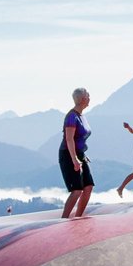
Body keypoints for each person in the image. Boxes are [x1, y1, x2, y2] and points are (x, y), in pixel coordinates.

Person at [59, 88, 94, 218]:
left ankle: (78, 217)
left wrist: (82, 154)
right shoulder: (71, 116)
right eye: (88, 96)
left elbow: (80, 138)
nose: (90, 98)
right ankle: (64, 219)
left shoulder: (81, 116)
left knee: (88, 186)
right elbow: (69, 139)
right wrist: (74, 159)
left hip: (79, 153)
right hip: (68, 154)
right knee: (77, 190)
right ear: (82, 99)